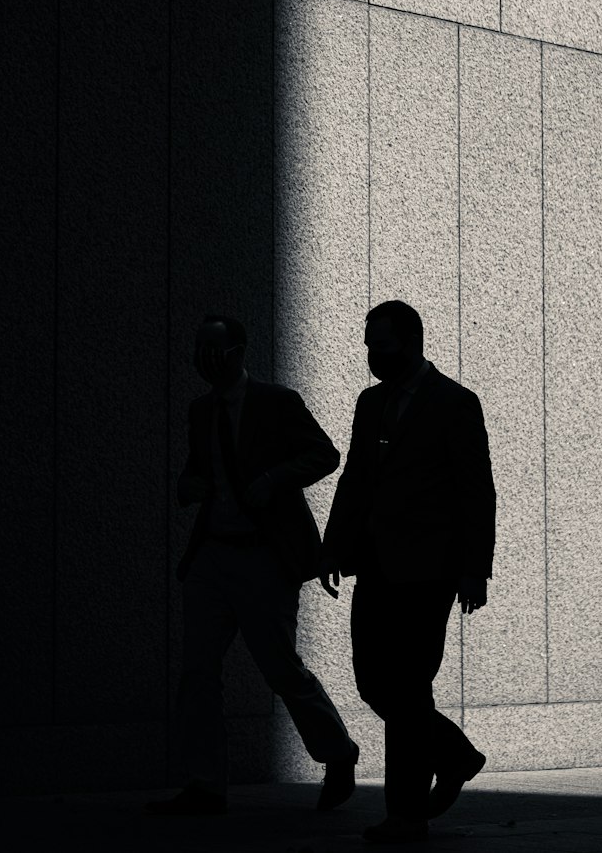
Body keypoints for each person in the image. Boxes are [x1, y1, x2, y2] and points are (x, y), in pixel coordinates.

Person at [147, 314, 360, 816]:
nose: (205, 358)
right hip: (212, 556)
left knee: (280, 668)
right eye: (199, 347)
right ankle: (205, 784)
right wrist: (187, 486)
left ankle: (338, 753)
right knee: (197, 672)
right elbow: (195, 470)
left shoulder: (276, 402)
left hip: (264, 557)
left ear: (239, 351)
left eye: (214, 348)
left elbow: (324, 455)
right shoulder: (201, 411)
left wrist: (275, 479)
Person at [320, 300, 496, 845]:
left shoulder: (455, 403)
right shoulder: (369, 403)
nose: (373, 355)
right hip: (374, 565)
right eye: (369, 344)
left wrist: (475, 571)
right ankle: (454, 753)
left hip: (430, 571)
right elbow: (354, 478)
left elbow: (476, 491)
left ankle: (407, 813)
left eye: (382, 344)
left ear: (412, 341)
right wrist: (332, 549)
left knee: (408, 684)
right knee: (374, 681)